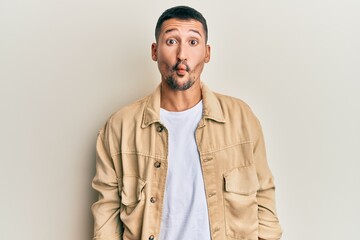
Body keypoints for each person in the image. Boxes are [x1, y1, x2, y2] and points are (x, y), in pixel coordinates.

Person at [92, 5, 282, 240]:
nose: (182, 54)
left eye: (193, 42)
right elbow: (106, 217)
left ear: (207, 53)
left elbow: (264, 199)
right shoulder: (120, 127)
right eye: (171, 41)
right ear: (154, 51)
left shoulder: (241, 119)